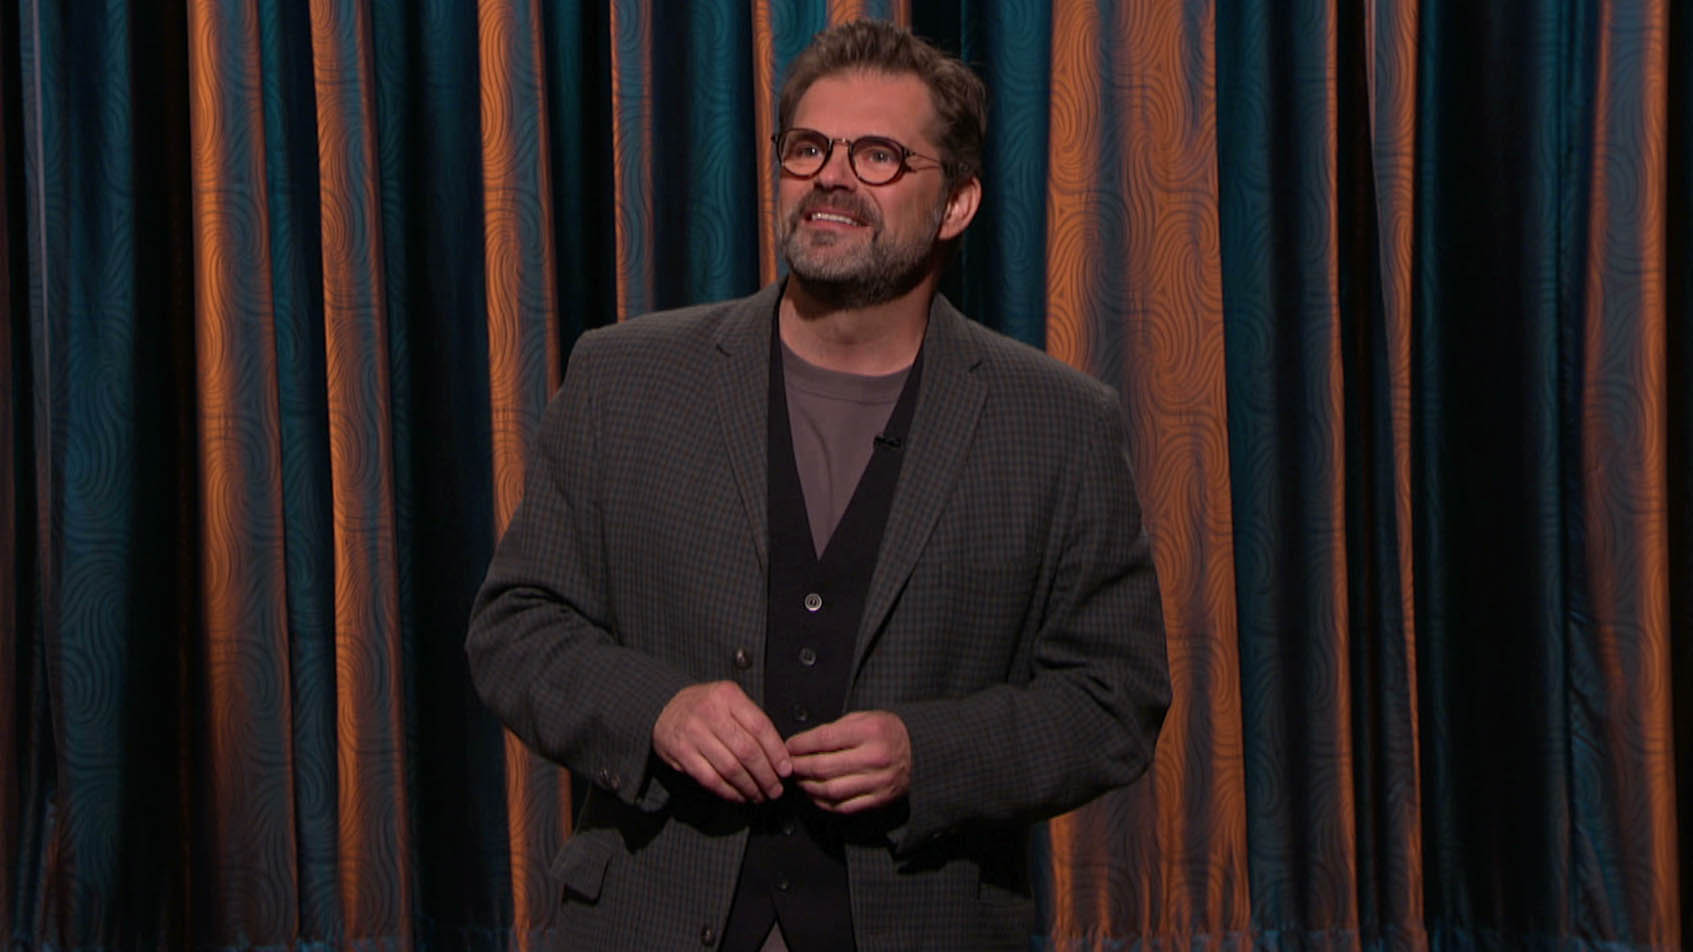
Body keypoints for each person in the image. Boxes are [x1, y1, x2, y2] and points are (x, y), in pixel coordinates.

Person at [467, 19, 1168, 952]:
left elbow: (1113, 697)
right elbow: (515, 627)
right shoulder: (623, 377)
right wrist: (656, 710)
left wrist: (929, 754)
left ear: (956, 203)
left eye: (878, 155)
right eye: (808, 147)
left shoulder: (1059, 422)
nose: (830, 177)